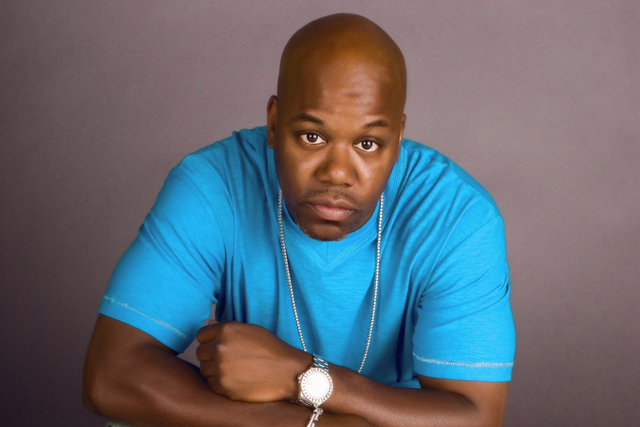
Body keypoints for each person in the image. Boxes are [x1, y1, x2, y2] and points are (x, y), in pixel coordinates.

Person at [83, 13, 515, 427]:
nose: (337, 174)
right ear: (274, 124)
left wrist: (304, 376)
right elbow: (110, 377)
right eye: (312, 137)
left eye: (367, 143)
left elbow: (477, 417)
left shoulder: (458, 217)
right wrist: (308, 425)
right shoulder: (214, 185)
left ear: (398, 139)